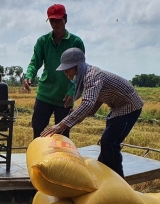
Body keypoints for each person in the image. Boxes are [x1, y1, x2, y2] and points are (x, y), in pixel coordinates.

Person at [41, 47, 144, 177]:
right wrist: (80, 113)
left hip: (129, 107)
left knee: (110, 142)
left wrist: (61, 125)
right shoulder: (86, 76)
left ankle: (118, 181)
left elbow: (88, 103)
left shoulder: (92, 76)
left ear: (77, 67)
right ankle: (103, 174)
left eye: (67, 70)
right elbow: (95, 101)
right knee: (107, 142)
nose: (66, 74)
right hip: (117, 108)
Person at [24, 3, 85, 139]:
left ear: (65, 19)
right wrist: (29, 75)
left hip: (65, 97)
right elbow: (35, 62)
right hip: (45, 94)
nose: (55, 24)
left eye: (58, 20)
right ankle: (39, 158)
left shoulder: (76, 42)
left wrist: (72, 92)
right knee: (38, 128)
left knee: (63, 133)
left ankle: (60, 160)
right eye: (52, 20)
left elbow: (80, 71)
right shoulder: (43, 41)